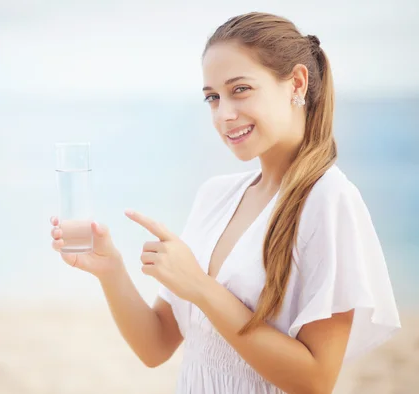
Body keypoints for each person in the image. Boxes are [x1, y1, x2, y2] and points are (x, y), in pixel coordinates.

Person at [49, 11, 401, 394]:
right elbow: (156, 346)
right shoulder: (215, 196)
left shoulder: (329, 200)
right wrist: (110, 269)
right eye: (213, 98)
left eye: (241, 90)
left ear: (297, 83)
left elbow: (315, 381)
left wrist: (200, 286)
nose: (224, 115)